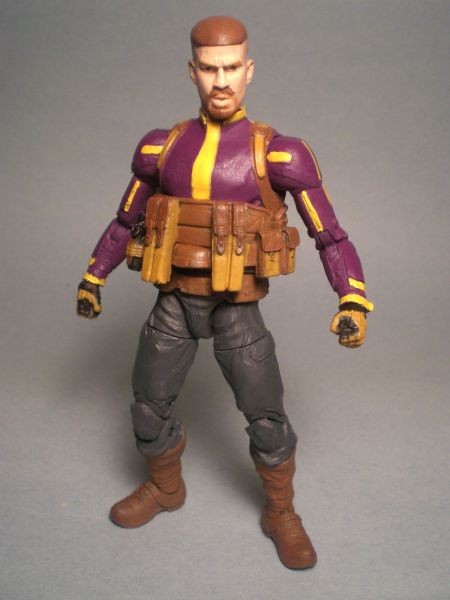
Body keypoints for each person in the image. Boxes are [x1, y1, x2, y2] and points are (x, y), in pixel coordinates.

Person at [77, 16, 373, 570]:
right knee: (146, 408)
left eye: (232, 68)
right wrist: (95, 276)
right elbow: (125, 221)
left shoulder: (279, 154)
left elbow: (330, 234)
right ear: (192, 71)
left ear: (249, 70)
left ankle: (280, 511)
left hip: (237, 308)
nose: (221, 81)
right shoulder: (161, 148)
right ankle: (165, 488)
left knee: (267, 419)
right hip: (173, 301)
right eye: (210, 69)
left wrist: (351, 297)